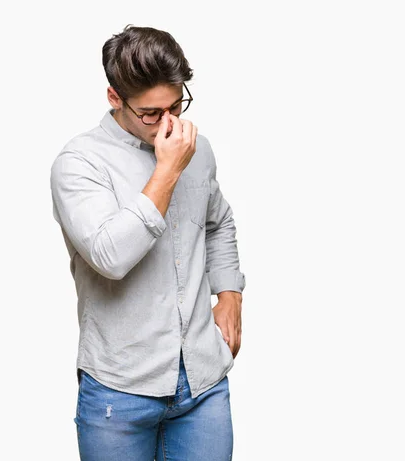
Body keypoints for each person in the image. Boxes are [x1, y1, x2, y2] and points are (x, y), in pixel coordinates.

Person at [49, 25, 246, 461]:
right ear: (114, 97)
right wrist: (168, 171)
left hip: (203, 383)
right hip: (119, 393)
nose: (170, 123)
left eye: (178, 105)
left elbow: (218, 222)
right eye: (152, 113)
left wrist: (230, 294)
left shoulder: (199, 149)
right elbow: (110, 257)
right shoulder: (79, 163)